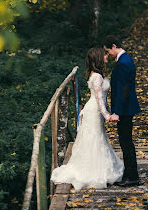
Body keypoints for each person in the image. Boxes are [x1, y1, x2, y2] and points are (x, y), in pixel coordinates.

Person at [51, 48, 124, 192]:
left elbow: (103, 97)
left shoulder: (98, 74)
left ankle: (99, 167)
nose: (106, 56)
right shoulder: (96, 76)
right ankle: (92, 171)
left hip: (98, 110)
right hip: (94, 111)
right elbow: (98, 99)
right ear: (98, 58)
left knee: (98, 138)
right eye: (103, 54)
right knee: (94, 139)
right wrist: (107, 115)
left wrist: (110, 110)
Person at [103, 35, 141, 187]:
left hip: (124, 110)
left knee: (126, 143)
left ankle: (132, 176)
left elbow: (124, 90)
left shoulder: (123, 63)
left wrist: (117, 111)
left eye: (108, 51)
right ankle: (130, 174)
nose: (108, 55)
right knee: (126, 142)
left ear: (114, 46)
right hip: (125, 108)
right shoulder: (125, 60)